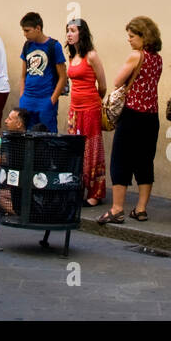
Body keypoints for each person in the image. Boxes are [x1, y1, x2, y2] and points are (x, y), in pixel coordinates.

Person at [99, 16, 163, 225]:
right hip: (151, 116)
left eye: (132, 36)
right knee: (145, 161)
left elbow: (118, 81)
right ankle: (141, 208)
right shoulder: (157, 58)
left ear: (144, 37)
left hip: (133, 114)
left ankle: (117, 209)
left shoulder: (136, 56)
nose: (129, 40)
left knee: (121, 160)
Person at [65, 18, 108, 206]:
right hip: (74, 109)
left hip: (90, 108)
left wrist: (94, 101)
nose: (69, 34)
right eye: (67, 30)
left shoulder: (91, 55)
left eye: (73, 30)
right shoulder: (72, 56)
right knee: (76, 150)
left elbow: (103, 85)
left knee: (92, 149)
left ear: (81, 33)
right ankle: (78, 188)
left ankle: (95, 193)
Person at [16, 12, 66, 133]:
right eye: (23, 30)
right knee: (27, 137)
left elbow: (63, 77)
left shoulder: (54, 46)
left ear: (38, 28)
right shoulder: (27, 46)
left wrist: (52, 100)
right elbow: (23, 75)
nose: (25, 34)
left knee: (48, 137)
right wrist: (22, 97)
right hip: (27, 100)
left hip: (45, 100)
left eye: (27, 30)